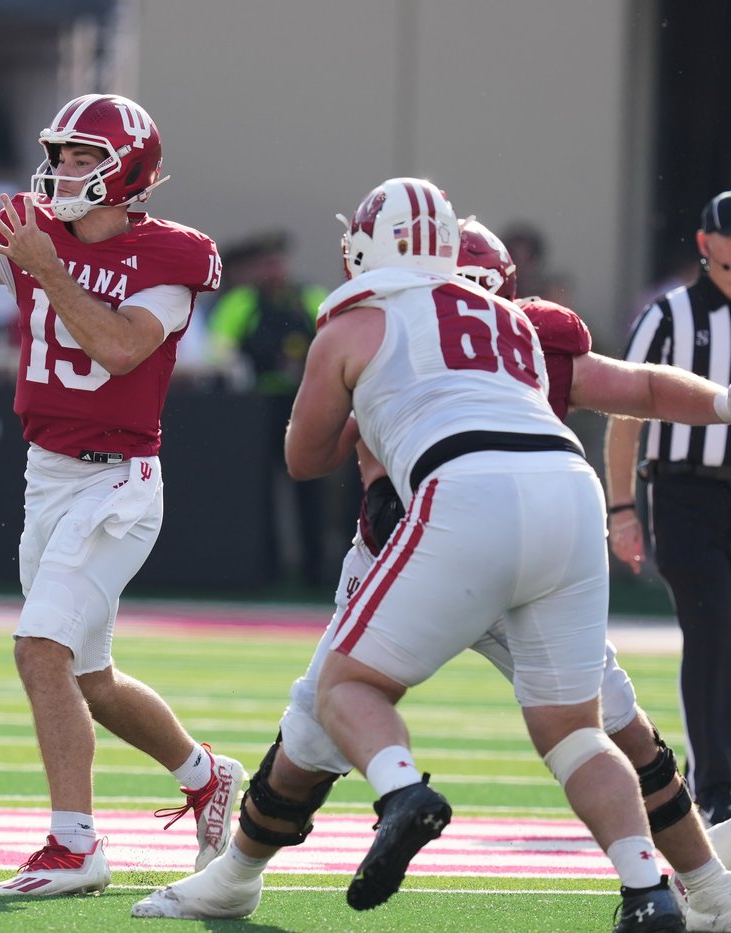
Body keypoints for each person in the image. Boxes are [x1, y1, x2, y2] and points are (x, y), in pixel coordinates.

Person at [135, 216, 731, 931]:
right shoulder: (495, 329)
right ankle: (687, 888)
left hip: (443, 537)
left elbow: (312, 454)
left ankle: (706, 888)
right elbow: (641, 388)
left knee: (335, 709)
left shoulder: (397, 327)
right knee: (590, 729)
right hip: (502, 536)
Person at [0, 89, 244, 896]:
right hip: (48, 476)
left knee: (41, 649)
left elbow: (119, 349)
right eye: (61, 155)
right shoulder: (35, 234)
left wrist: (47, 267)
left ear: (127, 172)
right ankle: (206, 774)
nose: (64, 171)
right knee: (88, 678)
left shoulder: (167, 256)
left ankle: (75, 847)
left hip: (117, 481)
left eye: (84, 158)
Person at [606, 190, 731, 829]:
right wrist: (622, 506)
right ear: (705, 245)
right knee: (712, 631)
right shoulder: (669, 316)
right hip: (685, 494)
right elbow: (626, 410)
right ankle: (718, 788)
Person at [207, 230, 333, 588]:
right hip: (258, 409)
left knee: (309, 483)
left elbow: (333, 337)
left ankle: (315, 572)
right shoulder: (242, 302)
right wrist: (239, 368)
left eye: (278, 262)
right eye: (266, 264)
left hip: (303, 404)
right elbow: (218, 349)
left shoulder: (310, 297)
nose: (273, 270)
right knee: (258, 490)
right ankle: (264, 570)